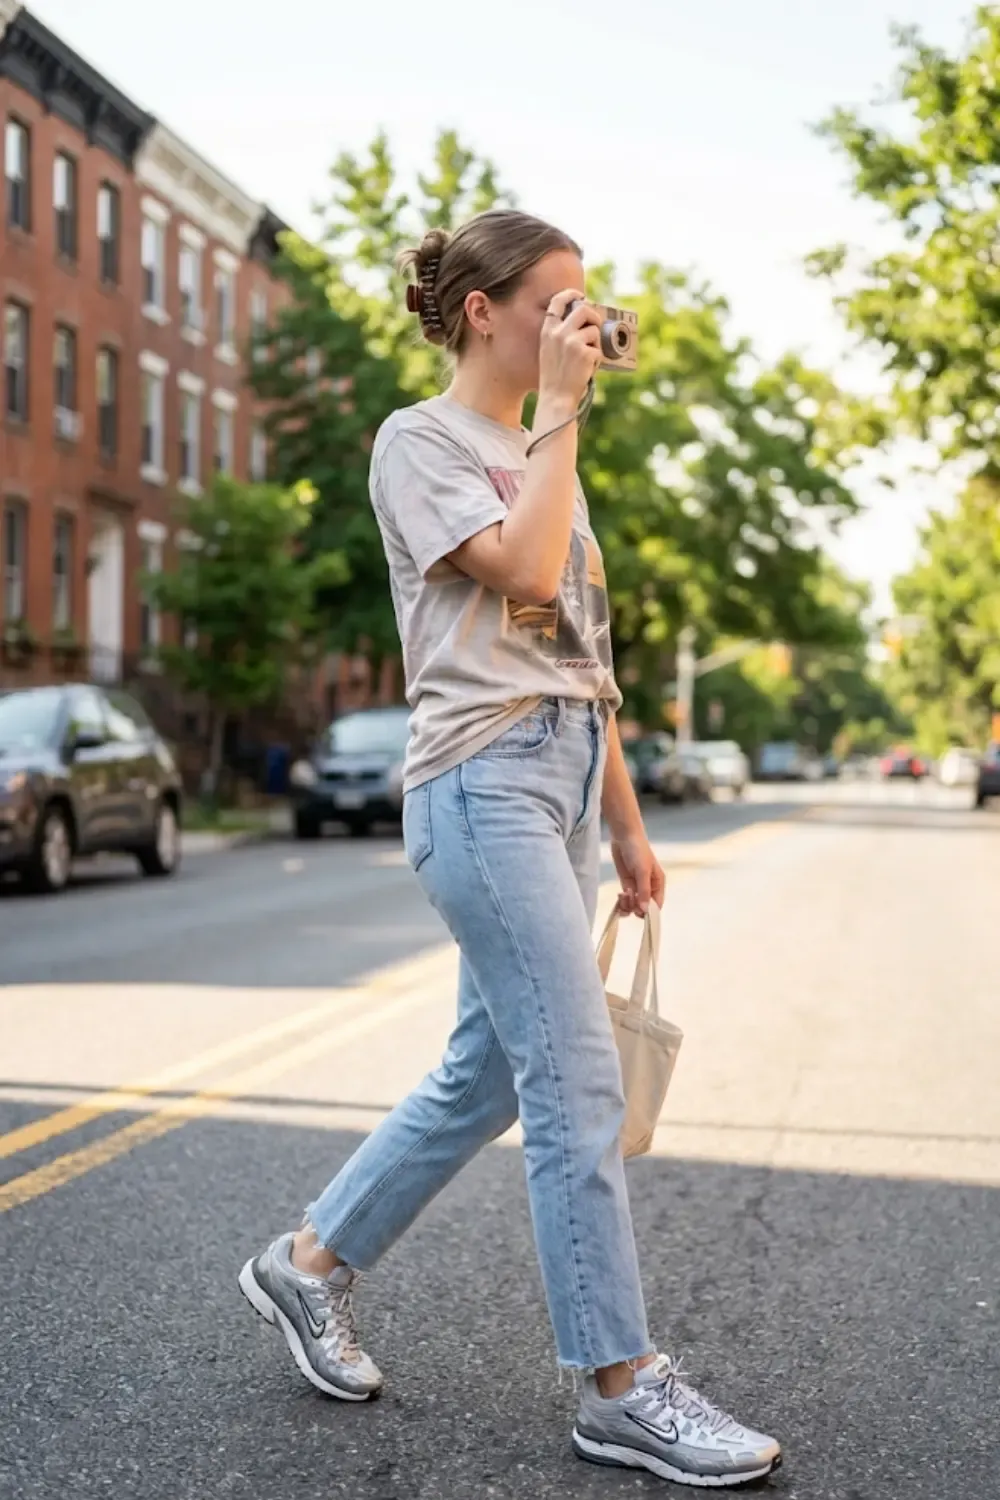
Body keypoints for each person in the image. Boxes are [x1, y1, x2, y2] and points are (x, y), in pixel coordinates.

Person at [239, 209, 782, 1488]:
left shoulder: (541, 445)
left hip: (561, 777)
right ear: (484, 312)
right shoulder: (416, 444)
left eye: (585, 306)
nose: (578, 325)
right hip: (478, 785)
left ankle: (305, 1264)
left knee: (487, 1074)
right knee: (575, 1082)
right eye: (555, 304)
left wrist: (630, 821)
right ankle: (618, 1385)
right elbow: (525, 573)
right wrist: (561, 410)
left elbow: (579, 646)